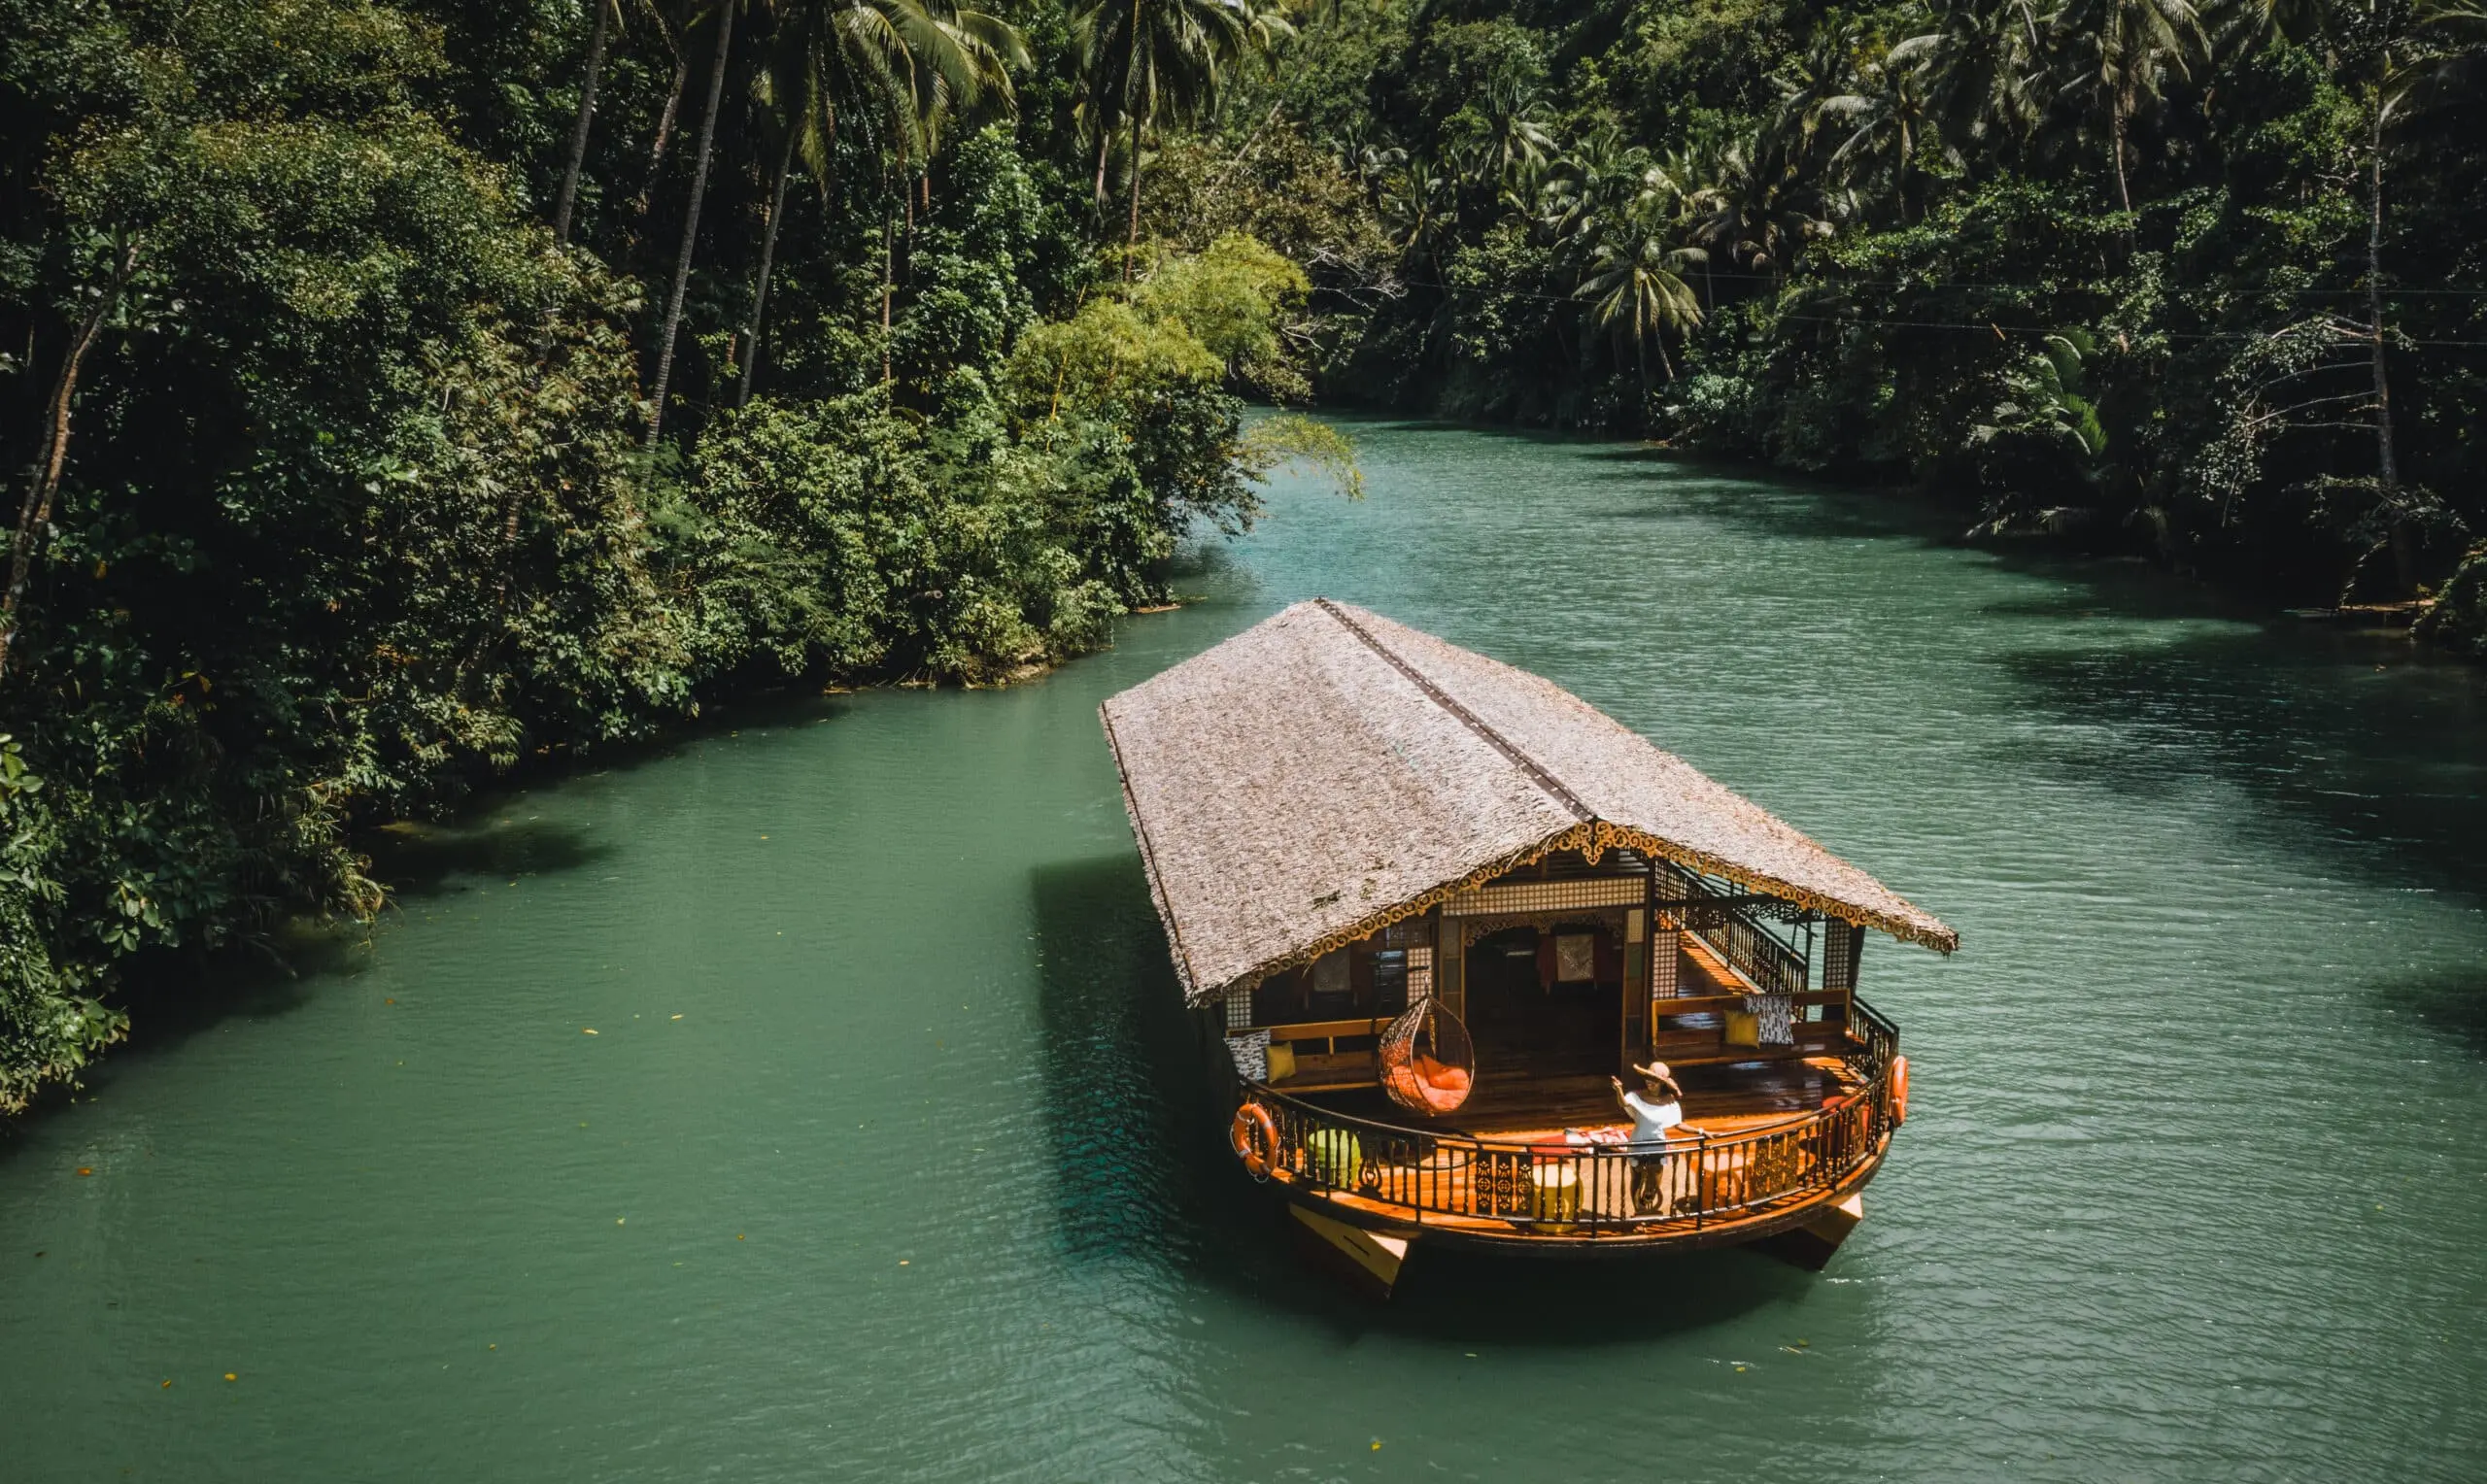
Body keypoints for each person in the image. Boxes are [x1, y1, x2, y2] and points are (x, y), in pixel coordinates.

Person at [1610, 1062, 1697, 1215]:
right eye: (1647, 1078)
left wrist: (1701, 1131)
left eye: (1654, 1080)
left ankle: (1645, 1203)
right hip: (1638, 1142)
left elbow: (1678, 1124)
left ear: (1662, 1083)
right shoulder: (1636, 1096)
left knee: (1654, 1182)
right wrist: (1618, 1090)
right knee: (1636, 1179)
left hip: (1657, 1145)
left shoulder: (1668, 1101)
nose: (1650, 1082)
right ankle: (1640, 1212)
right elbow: (1623, 1103)